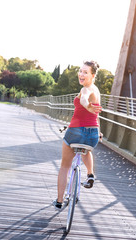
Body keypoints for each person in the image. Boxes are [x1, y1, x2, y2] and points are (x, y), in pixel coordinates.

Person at [53, 60, 102, 209]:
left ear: (92, 75)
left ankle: (60, 201)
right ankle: (90, 174)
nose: (81, 74)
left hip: (75, 131)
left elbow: (83, 99)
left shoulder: (87, 89)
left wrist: (86, 105)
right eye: (80, 71)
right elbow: (96, 113)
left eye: (85, 72)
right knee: (86, 149)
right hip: (92, 133)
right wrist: (98, 131)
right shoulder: (97, 90)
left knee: (64, 167)